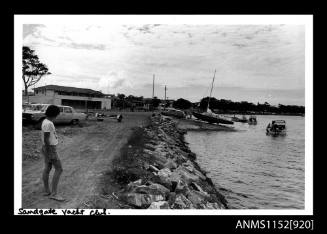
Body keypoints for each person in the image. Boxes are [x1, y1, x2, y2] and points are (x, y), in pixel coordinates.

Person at [41, 105, 65, 201]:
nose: (58, 116)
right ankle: (54, 194)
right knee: (59, 169)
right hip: (50, 149)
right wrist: (48, 153)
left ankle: (47, 191)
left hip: (47, 148)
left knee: (47, 168)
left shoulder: (45, 121)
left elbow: (46, 138)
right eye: (57, 114)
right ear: (54, 114)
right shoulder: (49, 123)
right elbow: (46, 139)